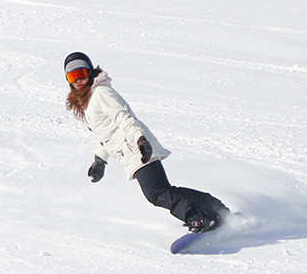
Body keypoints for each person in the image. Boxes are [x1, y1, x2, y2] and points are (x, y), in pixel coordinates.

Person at [63, 51, 229, 234]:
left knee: (156, 193)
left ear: (90, 72)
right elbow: (107, 133)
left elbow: (123, 118)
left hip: (137, 148)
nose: (78, 80)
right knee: (163, 190)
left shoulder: (101, 93)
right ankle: (214, 209)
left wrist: (140, 139)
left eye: (82, 74)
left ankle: (198, 218)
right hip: (131, 149)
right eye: (72, 76)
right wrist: (100, 160)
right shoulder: (90, 99)